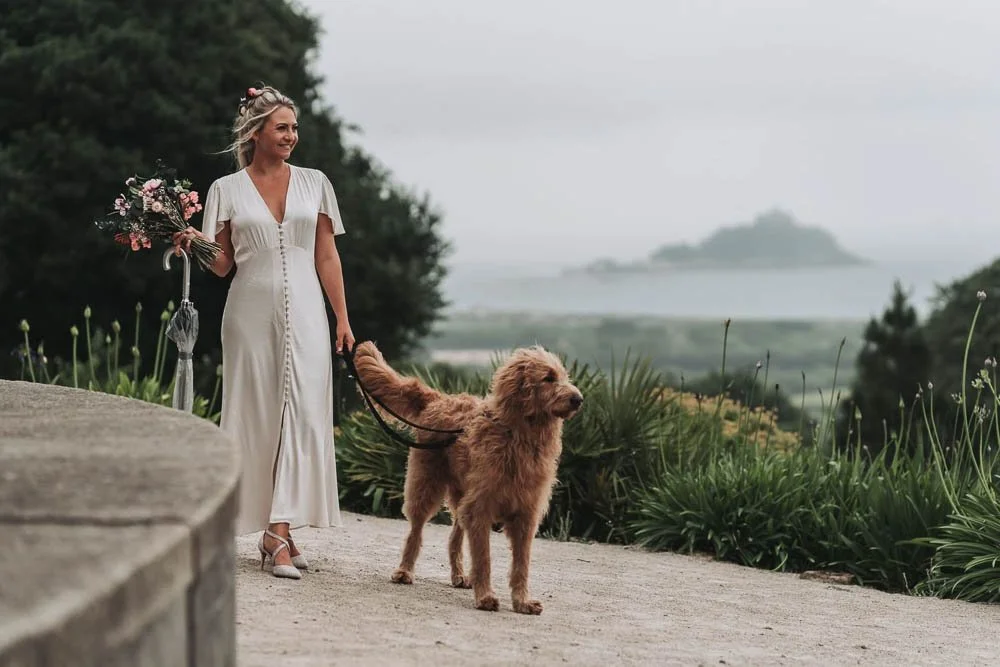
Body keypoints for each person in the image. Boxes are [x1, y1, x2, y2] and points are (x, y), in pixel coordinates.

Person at [173, 85, 354, 580]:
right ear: (255, 133)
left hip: (310, 315)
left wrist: (342, 317)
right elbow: (224, 265)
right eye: (282, 127)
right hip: (248, 312)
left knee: (302, 411)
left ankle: (280, 529)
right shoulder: (225, 190)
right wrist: (195, 243)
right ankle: (274, 533)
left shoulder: (315, 182)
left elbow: (326, 255)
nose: (292, 136)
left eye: (294, 127)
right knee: (257, 413)